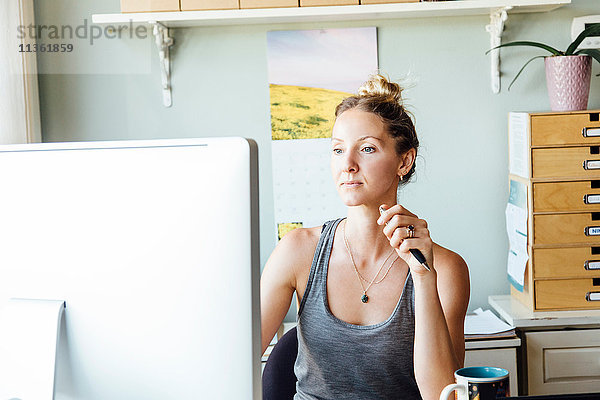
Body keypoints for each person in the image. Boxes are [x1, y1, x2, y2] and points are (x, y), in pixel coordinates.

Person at [260, 73, 470, 400]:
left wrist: (423, 278)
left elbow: (443, 395)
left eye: (367, 149)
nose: (348, 164)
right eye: (338, 150)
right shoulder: (297, 250)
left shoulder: (446, 268)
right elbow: (235, 356)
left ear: (404, 160)